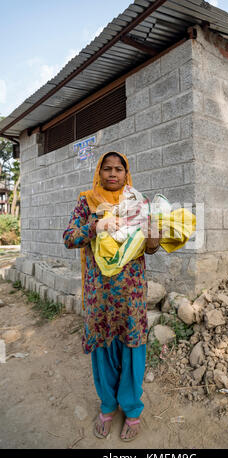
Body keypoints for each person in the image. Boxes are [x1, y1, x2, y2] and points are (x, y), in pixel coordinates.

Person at [63, 151, 161, 442]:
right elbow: (69, 237)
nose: (113, 173)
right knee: (103, 349)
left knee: (132, 350)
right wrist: (96, 225)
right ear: (99, 172)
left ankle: (131, 410)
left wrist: (155, 230)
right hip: (99, 295)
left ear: (126, 173)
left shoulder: (139, 202)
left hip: (130, 292)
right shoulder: (87, 200)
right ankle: (107, 407)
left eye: (119, 169)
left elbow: (151, 248)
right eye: (107, 168)